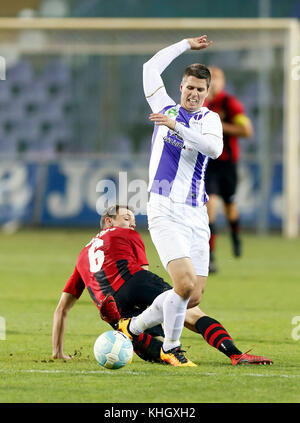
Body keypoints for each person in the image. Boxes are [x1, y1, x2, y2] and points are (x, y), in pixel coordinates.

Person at [52, 205, 272, 366]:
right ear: (109, 222)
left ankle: (141, 337)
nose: (132, 223)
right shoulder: (126, 234)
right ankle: (234, 353)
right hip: (136, 281)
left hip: (113, 307)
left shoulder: (82, 256)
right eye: (127, 217)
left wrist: (57, 352)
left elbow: (62, 308)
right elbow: (144, 272)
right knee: (190, 313)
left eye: (133, 220)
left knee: (154, 351)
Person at [140, 35, 223, 364]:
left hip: (195, 213)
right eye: (189, 87)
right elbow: (150, 66)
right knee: (184, 284)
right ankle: (171, 347)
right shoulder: (161, 104)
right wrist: (186, 44)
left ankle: (135, 325)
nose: (193, 94)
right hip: (163, 206)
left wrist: (176, 126)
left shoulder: (209, 120)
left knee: (192, 296)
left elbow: (214, 149)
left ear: (207, 93)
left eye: (200, 90)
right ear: (181, 86)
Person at [204, 67, 254, 273]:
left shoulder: (230, 103)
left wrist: (218, 125)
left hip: (228, 164)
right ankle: (210, 257)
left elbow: (247, 130)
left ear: (223, 82)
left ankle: (235, 236)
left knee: (230, 207)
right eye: (210, 78)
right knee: (209, 206)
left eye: (216, 78)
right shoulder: (201, 103)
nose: (213, 82)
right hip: (208, 164)